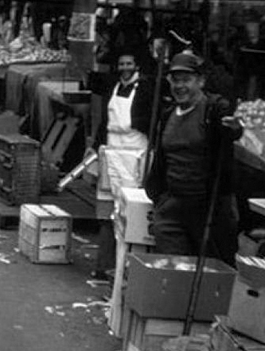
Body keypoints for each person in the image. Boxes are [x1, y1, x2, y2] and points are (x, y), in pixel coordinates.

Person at [144, 51, 244, 266]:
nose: (180, 86)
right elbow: (161, 159)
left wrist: (236, 128)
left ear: (201, 81)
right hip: (172, 206)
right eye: (175, 80)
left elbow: (230, 130)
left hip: (207, 208)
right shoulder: (167, 114)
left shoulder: (213, 110)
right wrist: (158, 197)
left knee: (211, 271)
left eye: (187, 80)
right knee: (173, 269)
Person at [91, 50, 154, 279]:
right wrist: (96, 146)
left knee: (131, 211)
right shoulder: (113, 89)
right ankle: (105, 264)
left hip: (134, 154)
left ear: (136, 66)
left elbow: (151, 121)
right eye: (121, 63)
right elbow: (104, 121)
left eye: (129, 63)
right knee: (108, 211)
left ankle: (127, 265)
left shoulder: (146, 91)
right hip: (111, 152)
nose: (125, 67)